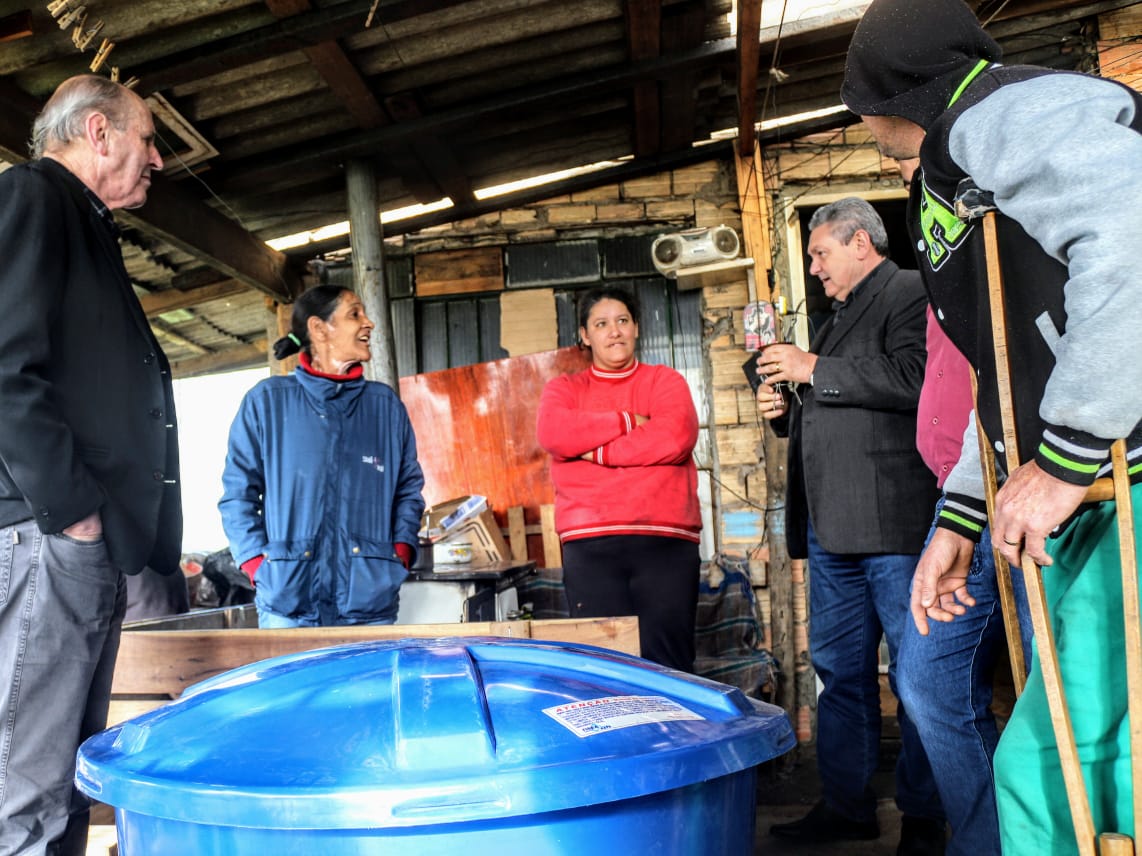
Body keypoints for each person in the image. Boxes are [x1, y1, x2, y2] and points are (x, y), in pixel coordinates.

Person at [841, 1, 1142, 851]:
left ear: (890, 92)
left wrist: (1070, 453)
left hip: (1124, 485)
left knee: (1063, 770)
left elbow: (1133, 231)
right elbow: (1008, 370)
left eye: (858, 98)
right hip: (1093, 497)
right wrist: (966, 514)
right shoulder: (955, 154)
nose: (859, 120)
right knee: (1079, 765)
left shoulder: (1001, 110)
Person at [0, 74, 183, 855]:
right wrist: (71, 512)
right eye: (147, 139)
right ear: (99, 131)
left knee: (63, 783)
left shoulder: (86, 223)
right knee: (28, 788)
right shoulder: (34, 197)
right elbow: (5, 363)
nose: (158, 160)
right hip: (49, 535)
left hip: (77, 542)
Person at [756, 197, 946, 853]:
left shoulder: (910, 290)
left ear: (862, 242)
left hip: (893, 522)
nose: (813, 268)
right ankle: (846, 807)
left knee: (917, 676)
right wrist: (785, 408)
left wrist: (812, 368)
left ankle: (925, 815)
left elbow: (918, 378)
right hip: (833, 528)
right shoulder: (836, 317)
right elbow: (840, 405)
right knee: (839, 675)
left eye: (820, 253)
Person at [894, 154, 1034, 856]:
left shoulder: (1027, 248)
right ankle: (989, 843)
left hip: (1049, 497)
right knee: (925, 679)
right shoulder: (943, 279)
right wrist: (959, 506)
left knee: (1055, 695)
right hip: (964, 499)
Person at [219, 285, 426, 628]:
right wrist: (257, 564)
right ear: (318, 329)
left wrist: (400, 552)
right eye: (354, 314)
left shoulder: (384, 406)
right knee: (298, 685)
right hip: (288, 603)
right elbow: (237, 494)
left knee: (367, 685)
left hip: (368, 603)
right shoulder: (268, 402)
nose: (369, 323)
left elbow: (408, 489)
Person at [536, 286, 702, 672]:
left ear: (637, 328)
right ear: (584, 335)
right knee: (607, 671)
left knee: (671, 666)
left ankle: (674, 733)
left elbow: (675, 437)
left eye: (623, 321)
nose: (614, 332)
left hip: (666, 544)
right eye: (601, 323)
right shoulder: (564, 389)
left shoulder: (665, 382)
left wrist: (596, 452)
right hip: (591, 548)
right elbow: (554, 433)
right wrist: (626, 422)